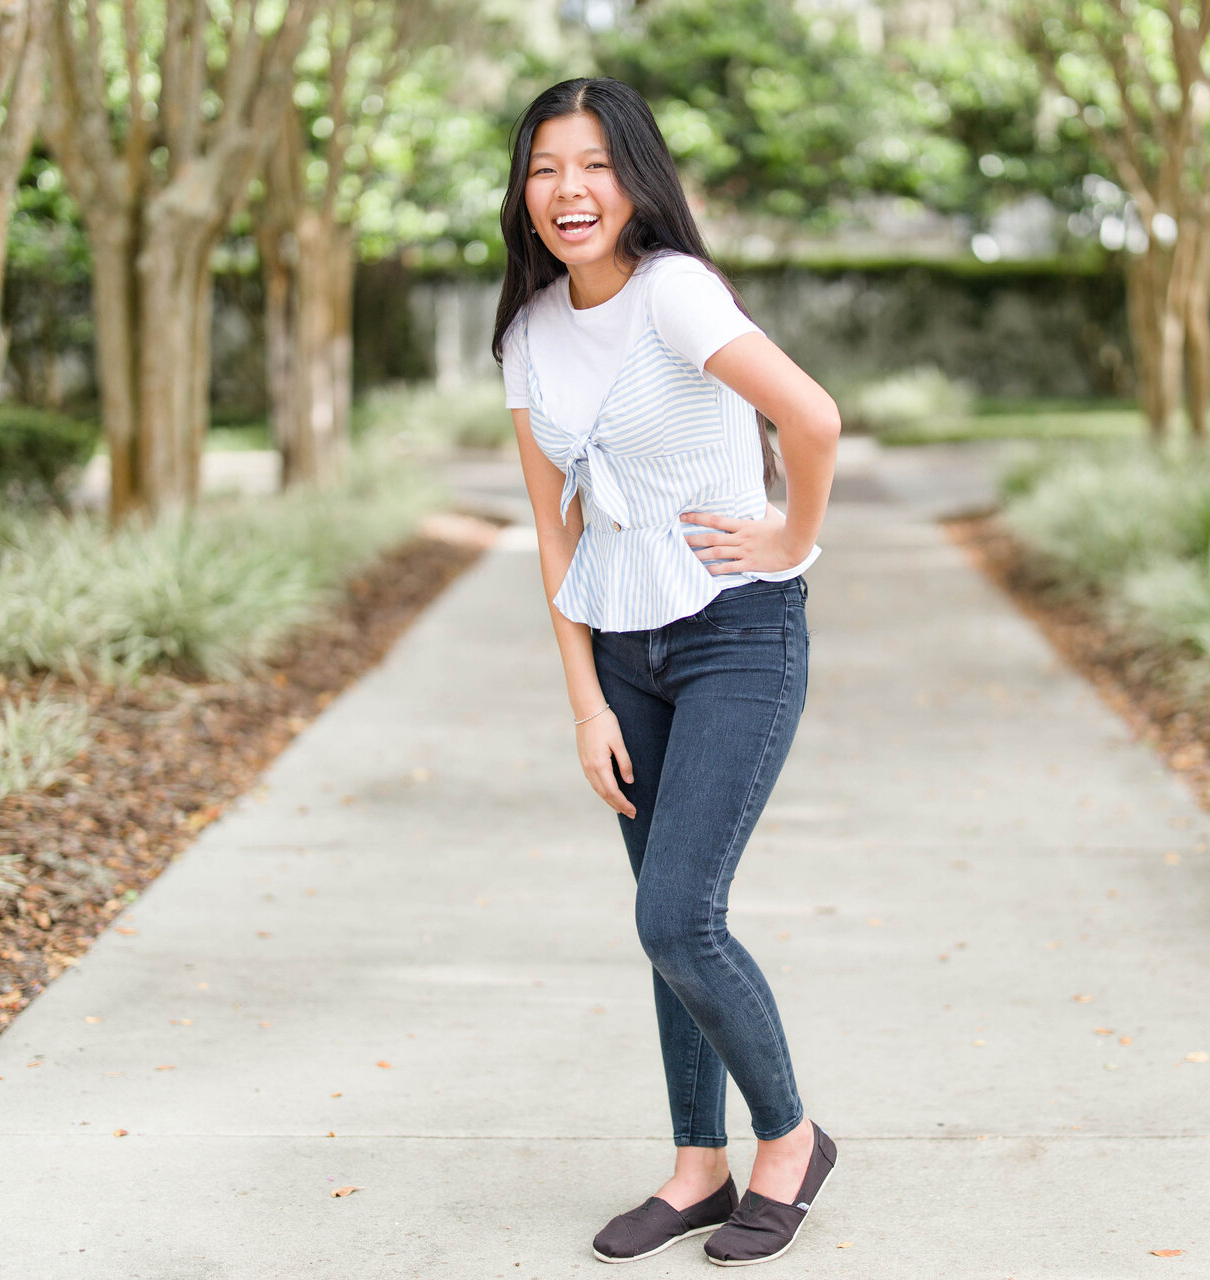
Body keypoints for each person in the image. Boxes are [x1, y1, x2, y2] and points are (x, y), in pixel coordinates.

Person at [492, 77, 840, 1268]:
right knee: (664, 928)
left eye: (592, 164)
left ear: (635, 176)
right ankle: (697, 1164)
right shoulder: (531, 332)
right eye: (545, 168)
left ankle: (788, 1140)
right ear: (522, 190)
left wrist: (791, 539)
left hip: (737, 631)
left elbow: (813, 417)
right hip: (624, 650)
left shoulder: (676, 295)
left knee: (676, 912)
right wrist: (585, 700)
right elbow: (555, 531)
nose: (568, 191)